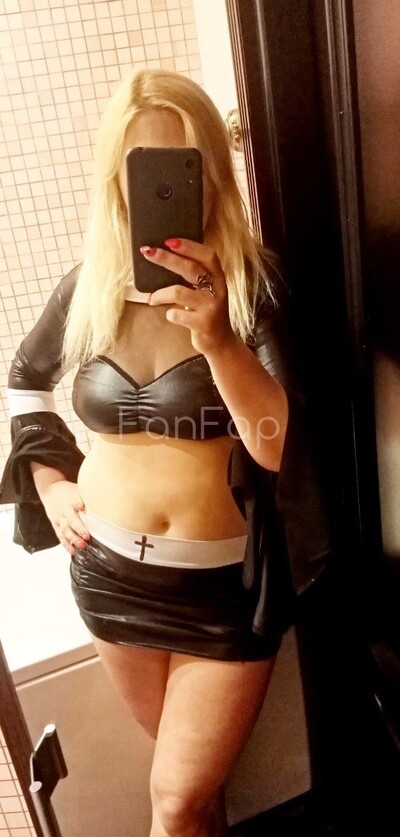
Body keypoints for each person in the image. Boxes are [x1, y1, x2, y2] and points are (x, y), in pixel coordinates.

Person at [0, 69, 331, 836]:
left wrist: (216, 338)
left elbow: (280, 451)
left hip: (220, 596)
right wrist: (50, 481)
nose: (160, 190)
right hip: (109, 576)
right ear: (115, 180)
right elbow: (25, 378)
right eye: (141, 169)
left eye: (182, 168)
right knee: (193, 797)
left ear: (210, 172)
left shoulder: (251, 289)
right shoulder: (87, 289)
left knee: (175, 800)